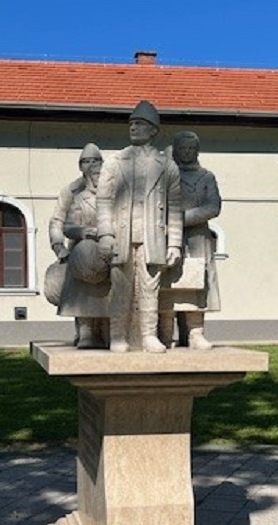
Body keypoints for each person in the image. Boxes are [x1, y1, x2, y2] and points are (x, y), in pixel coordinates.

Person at [96, 100, 183, 353]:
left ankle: (148, 336)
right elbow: (103, 200)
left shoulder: (166, 165)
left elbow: (174, 208)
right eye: (132, 123)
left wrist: (175, 243)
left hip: (151, 235)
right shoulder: (114, 162)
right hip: (120, 234)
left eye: (140, 124)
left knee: (150, 288)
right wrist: (105, 233)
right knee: (120, 288)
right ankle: (118, 336)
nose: (134, 127)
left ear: (153, 130)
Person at [159, 130, 222, 349]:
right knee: (167, 282)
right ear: (175, 150)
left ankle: (195, 332)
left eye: (191, 149)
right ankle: (164, 332)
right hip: (166, 236)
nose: (187, 152)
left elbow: (214, 206)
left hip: (196, 236)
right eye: (182, 148)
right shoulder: (164, 177)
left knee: (197, 283)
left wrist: (183, 218)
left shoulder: (206, 177)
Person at [48, 143, 109, 348]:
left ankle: (108, 331)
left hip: (107, 246)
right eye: (86, 161)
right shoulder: (72, 191)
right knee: (82, 290)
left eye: (95, 161)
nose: (91, 165)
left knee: (109, 291)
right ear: (79, 165)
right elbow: (58, 221)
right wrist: (59, 247)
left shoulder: (112, 189)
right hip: (79, 246)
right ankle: (85, 332)